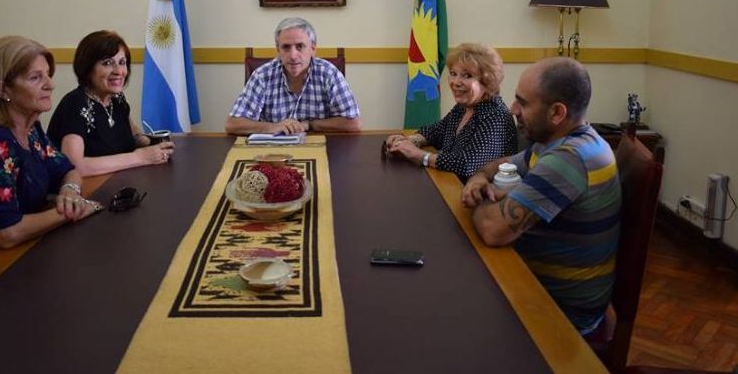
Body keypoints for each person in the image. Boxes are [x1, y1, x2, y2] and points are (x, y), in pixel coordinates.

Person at [461, 57, 621, 334]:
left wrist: (486, 196)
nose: (512, 109)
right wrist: (479, 177)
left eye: (523, 103)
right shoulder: (556, 143)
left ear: (557, 113)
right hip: (536, 285)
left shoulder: (569, 159)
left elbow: (493, 229)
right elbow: (504, 164)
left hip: (557, 314)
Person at [0, 36, 102, 276]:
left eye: (48, 74)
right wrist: (73, 210)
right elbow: (6, 234)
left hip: (23, 253)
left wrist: (70, 191)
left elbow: (68, 169)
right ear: (2, 88)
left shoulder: (30, 129)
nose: (50, 84)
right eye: (35, 77)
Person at [47, 30, 174, 176]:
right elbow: (75, 165)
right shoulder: (75, 104)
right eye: (108, 63)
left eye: (122, 62)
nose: (119, 71)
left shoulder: (116, 98)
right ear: (87, 68)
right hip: (84, 192)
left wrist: (149, 143)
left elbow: (133, 134)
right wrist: (140, 157)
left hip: (118, 183)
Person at [385, 43, 517, 180]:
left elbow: (468, 165)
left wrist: (419, 155)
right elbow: (436, 131)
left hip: (479, 195)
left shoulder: (496, 115)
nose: (456, 82)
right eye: (453, 74)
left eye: (467, 75)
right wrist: (409, 141)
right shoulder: (463, 107)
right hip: (450, 183)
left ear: (488, 81)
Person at [225, 18, 361, 134]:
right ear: (278, 50)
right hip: (272, 152)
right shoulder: (262, 76)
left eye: (300, 46)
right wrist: (272, 127)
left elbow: (353, 123)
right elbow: (233, 124)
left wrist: (309, 125)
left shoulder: (329, 74)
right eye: (286, 47)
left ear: (313, 49)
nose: (293, 55)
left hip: (322, 149)